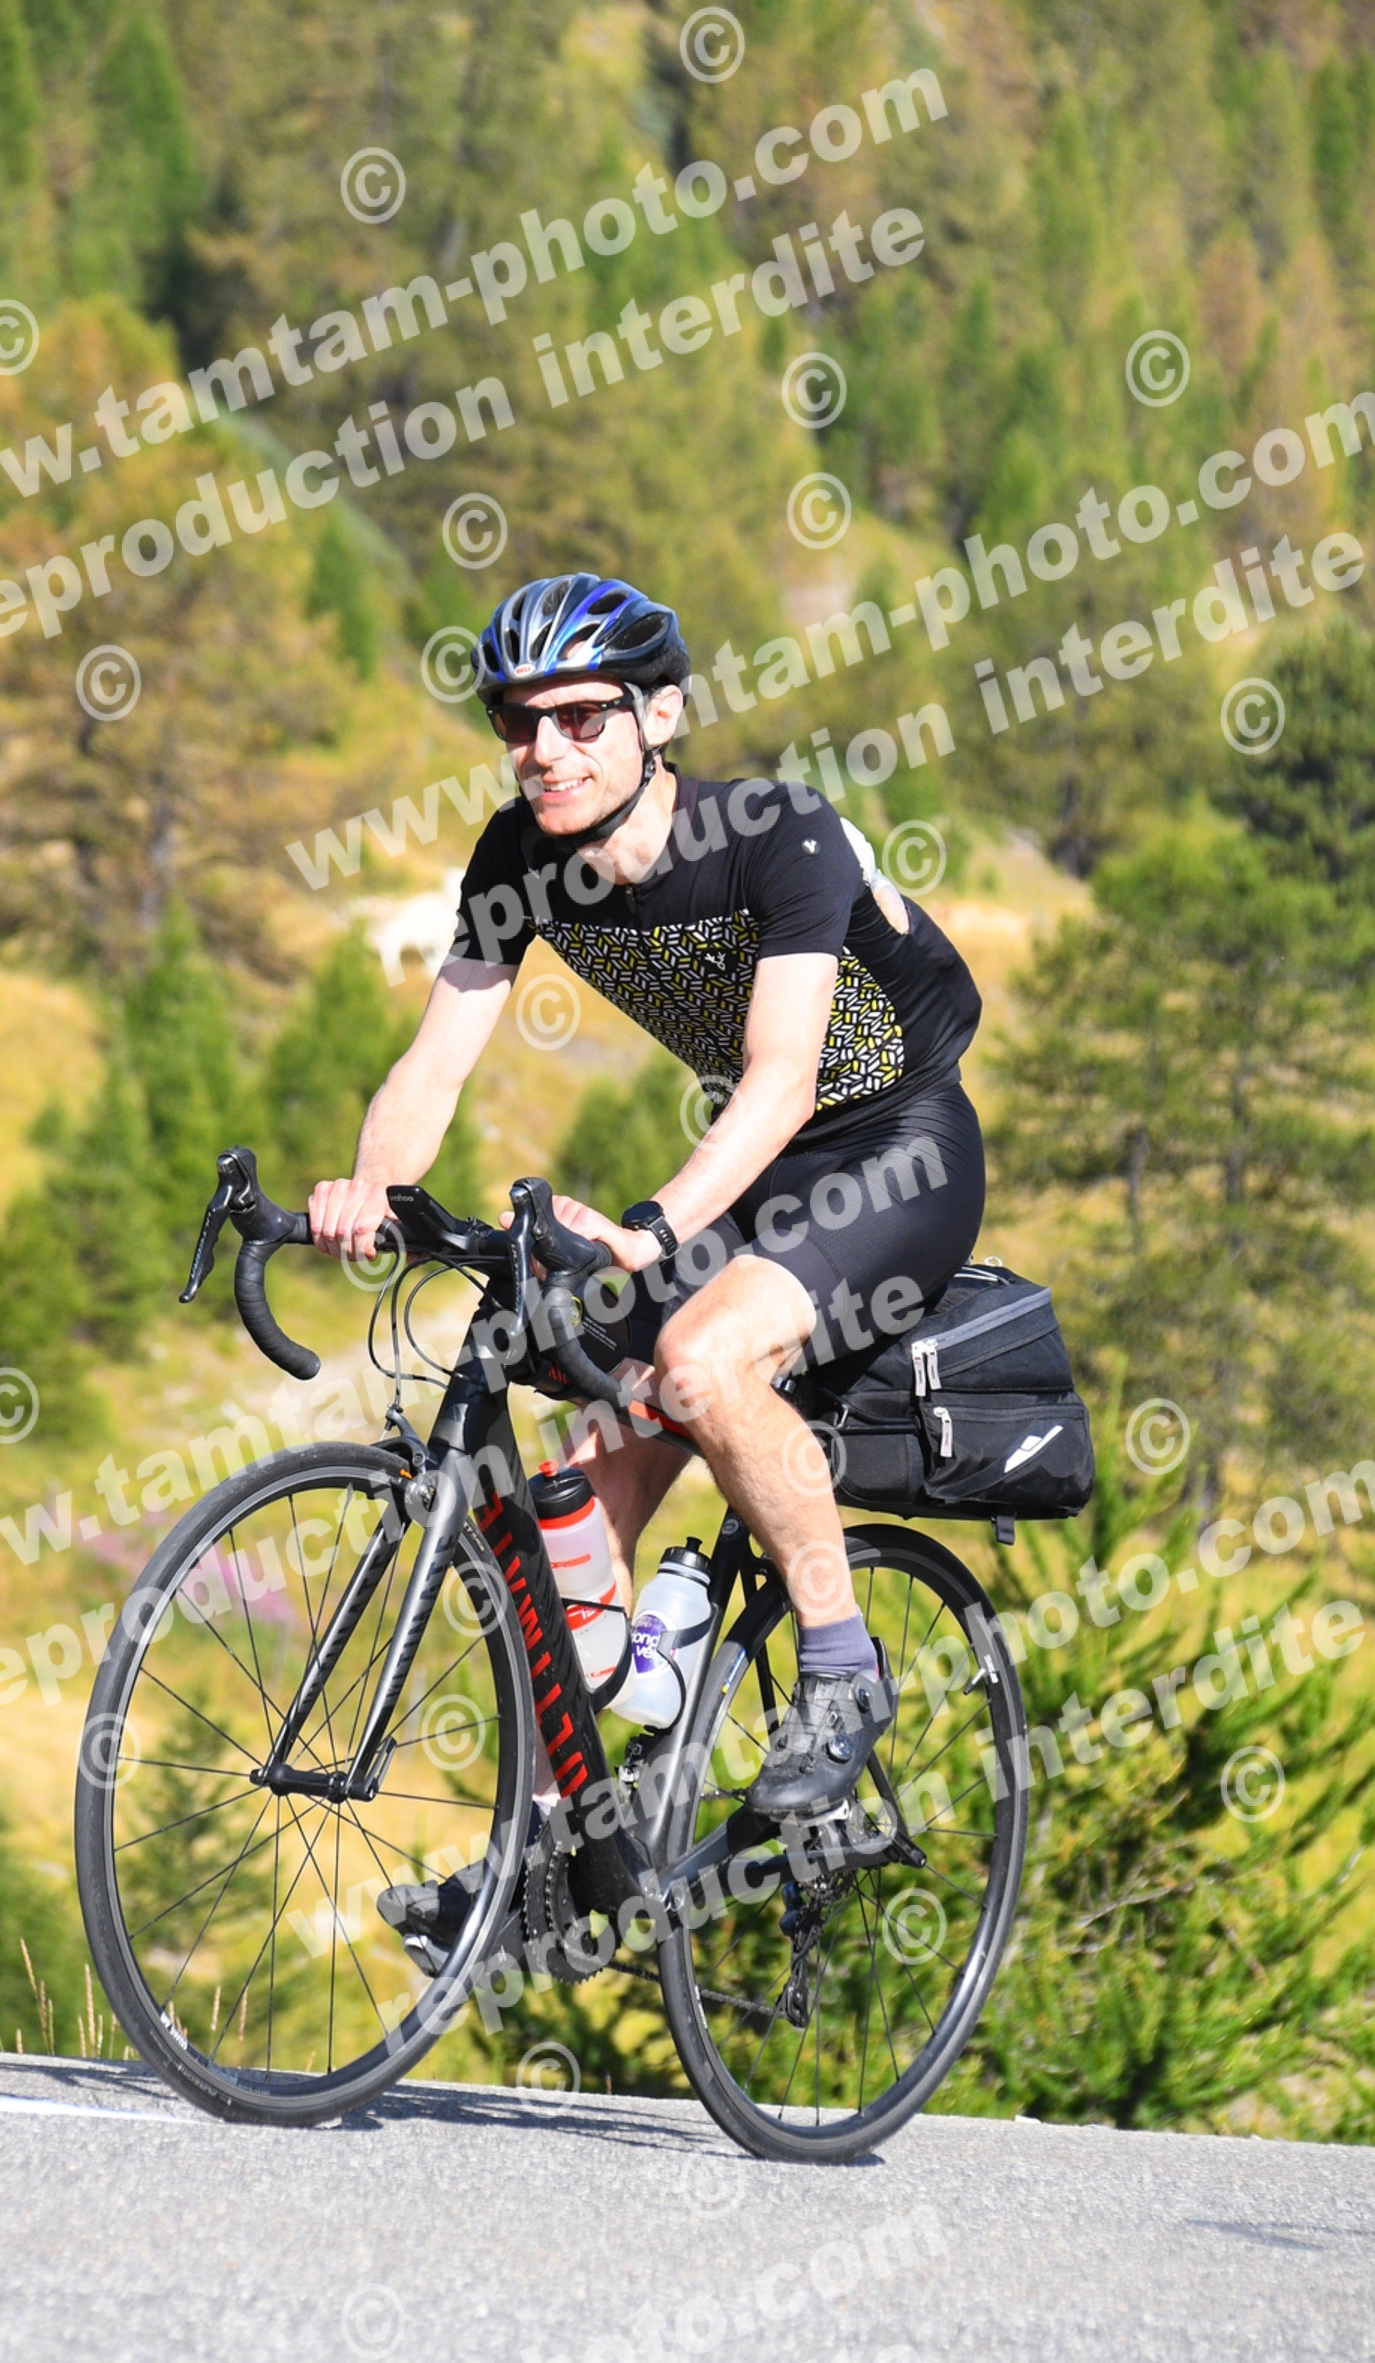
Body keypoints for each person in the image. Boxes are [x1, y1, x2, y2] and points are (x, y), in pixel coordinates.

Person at [309, 571, 984, 1875]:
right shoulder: (518, 858)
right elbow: (433, 1064)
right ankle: (562, 1855)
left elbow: (785, 1079)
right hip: (755, 1173)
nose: (544, 749)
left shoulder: (777, 835)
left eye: (580, 718)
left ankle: (842, 1665)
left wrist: (652, 1229)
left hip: (896, 1148)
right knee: (577, 1476)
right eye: (519, 722)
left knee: (699, 1360)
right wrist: (370, 1191)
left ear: (658, 716)